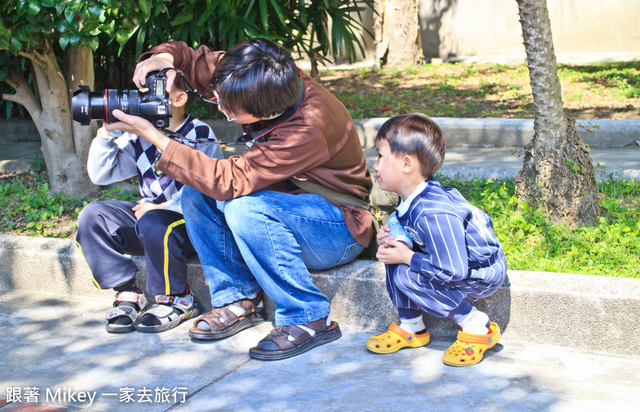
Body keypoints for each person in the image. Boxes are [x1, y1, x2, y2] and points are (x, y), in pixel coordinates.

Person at [104, 38, 373, 360]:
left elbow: (230, 181)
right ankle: (238, 299)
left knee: (246, 207)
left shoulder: (307, 127)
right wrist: (161, 59)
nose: (219, 107)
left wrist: (152, 134)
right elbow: (191, 58)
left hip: (336, 226)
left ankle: (309, 316)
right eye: (218, 98)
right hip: (290, 205)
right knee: (195, 192)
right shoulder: (254, 74)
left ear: (270, 111)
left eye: (228, 111)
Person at [76, 76, 223, 334]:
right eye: (142, 92)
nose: (145, 98)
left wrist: (162, 209)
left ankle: (177, 297)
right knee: (92, 216)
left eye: (155, 92)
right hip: (149, 220)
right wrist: (107, 132)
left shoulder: (199, 132)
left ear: (179, 99)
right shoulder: (138, 135)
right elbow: (100, 174)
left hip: (188, 222)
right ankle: (127, 291)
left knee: (154, 221)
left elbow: (207, 189)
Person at [366, 113, 507, 367]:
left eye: (380, 156)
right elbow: (401, 222)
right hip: (456, 263)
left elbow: (452, 269)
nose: (375, 165)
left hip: (479, 272)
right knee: (394, 254)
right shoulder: (411, 196)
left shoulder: (433, 212)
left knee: (405, 272)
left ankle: (476, 324)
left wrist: (407, 256)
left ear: (406, 164)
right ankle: (413, 326)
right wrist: (393, 238)